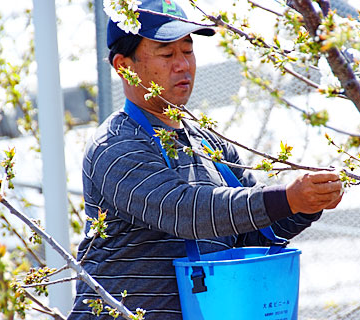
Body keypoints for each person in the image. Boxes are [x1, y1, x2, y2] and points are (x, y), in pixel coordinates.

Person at [68, 0, 343, 319]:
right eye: (167, 54)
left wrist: (307, 203)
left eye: (188, 50)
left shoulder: (209, 144)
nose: (182, 64)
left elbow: (253, 232)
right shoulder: (116, 144)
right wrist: (286, 197)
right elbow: (186, 211)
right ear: (124, 66)